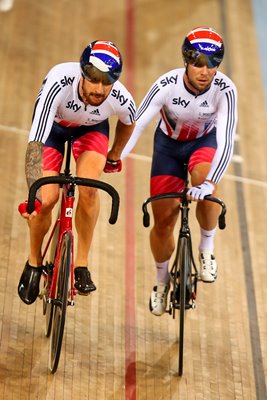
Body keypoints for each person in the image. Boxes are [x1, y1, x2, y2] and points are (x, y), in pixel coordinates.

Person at [121, 26, 238, 316]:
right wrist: (116, 157)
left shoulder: (226, 90)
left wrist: (210, 183)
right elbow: (137, 125)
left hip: (203, 143)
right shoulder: (166, 85)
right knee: (163, 223)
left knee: (203, 178)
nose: (204, 70)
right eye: (198, 62)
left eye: (212, 64)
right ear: (186, 61)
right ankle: (161, 281)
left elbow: (225, 139)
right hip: (168, 149)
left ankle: (207, 248)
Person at [18, 40, 136, 305]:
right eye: (94, 80)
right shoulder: (59, 82)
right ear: (82, 72)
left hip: (91, 130)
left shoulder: (121, 99)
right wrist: (33, 193)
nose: (100, 89)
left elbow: (129, 122)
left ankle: (80, 263)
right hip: (53, 130)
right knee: (46, 200)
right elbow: (36, 143)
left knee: (90, 188)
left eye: (107, 82)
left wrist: (114, 155)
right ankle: (34, 261)